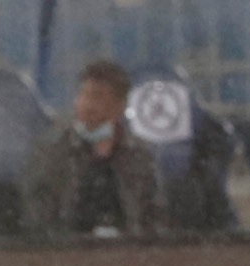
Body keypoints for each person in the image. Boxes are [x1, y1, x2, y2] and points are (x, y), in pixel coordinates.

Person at [25, 60, 161, 236]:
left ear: (119, 106)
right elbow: (38, 218)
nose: (86, 105)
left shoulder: (139, 156)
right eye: (82, 95)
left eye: (97, 97)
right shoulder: (52, 152)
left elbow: (156, 217)